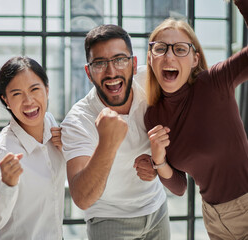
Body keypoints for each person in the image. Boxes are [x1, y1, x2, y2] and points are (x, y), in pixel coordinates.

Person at [144, 0, 248, 239]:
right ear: (151, 58)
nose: (169, 56)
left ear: (194, 59)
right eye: (160, 48)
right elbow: (180, 187)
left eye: (180, 49)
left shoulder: (213, 83)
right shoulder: (153, 115)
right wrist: (158, 159)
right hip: (213, 219)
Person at [60, 24, 170, 239]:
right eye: (100, 63)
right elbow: (82, 198)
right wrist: (107, 143)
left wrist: (159, 162)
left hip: (157, 208)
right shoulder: (78, 120)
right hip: (108, 218)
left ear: (134, 64)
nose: (111, 72)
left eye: (120, 60)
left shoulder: (151, 83)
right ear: (88, 73)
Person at [0, 56, 66, 240]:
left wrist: (68, 148)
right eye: (17, 94)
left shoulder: (53, 126)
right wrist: (6, 184)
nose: (28, 101)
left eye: (35, 89)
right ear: (6, 100)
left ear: (47, 90)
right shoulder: (4, 150)